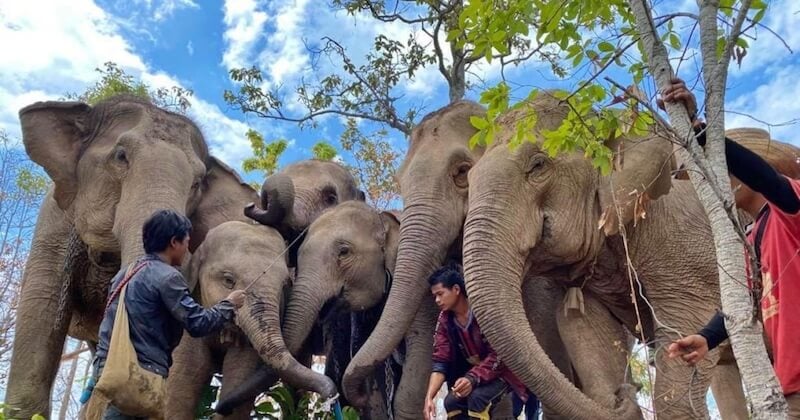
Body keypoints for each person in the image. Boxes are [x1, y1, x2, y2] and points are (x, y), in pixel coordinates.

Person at [661, 78, 800, 416]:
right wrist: (707, 337)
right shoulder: (751, 238)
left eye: (715, 170)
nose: (705, 182)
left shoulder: (790, 209)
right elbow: (745, 299)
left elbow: (767, 180)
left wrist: (702, 133)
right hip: (790, 387)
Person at [89, 209, 246, 419]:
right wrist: (229, 304)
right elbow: (197, 323)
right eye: (186, 242)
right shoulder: (168, 277)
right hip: (138, 370)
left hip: (108, 365)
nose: (187, 248)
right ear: (174, 242)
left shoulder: (125, 273)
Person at [423, 264, 528, 420]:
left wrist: (472, 378)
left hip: (507, 370)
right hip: (476, 375)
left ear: (456, 290)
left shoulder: (484, 310)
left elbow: (501, 354)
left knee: (477, 399)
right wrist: (429, 397)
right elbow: (441, 361)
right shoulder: (445, 319)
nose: (437, 300)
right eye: (435, 296)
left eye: (440, 294)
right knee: (451, 402)